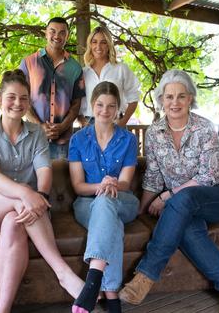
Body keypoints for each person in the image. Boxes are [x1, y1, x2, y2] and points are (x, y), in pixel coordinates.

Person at [118, 70, 219, 313]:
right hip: (181, 206)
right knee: (189, 230)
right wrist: (141, 209)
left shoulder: (205, 128)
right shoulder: (154, 133)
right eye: (169, 97)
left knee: (183, 197)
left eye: (181, 96)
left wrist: (168, 195)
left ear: (190, 98)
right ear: (161, 100)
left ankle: (146, 275)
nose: (175, 102)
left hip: (214, 197)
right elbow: (153, 176)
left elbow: (208, 174)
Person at [0, 70, 84, 313]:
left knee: (14, 222)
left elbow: (44, 171)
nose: (18, 103)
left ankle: (2, 310)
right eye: (11, 97)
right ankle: (63, 272)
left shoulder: (36, 134)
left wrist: (41, 196)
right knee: (22, 197)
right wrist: (27, 194)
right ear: (0, 99)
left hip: (27, 207)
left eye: (24, 98)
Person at [68, 82, 140, 313]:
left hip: (123, 200)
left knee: (107, 202)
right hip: (87, 204)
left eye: (111, 106)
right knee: (111, 221)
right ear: (92, 105)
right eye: (100, 105)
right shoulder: (78, 140)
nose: (105, 111)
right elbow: (79, 186)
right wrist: (101, 185)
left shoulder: (128, 140)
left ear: (118, 108)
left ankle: (92, 283)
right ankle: (111, 295)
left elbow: (126, 183)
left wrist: (113, 184)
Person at [20, 17, 85, 159]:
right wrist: (40, 126)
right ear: (45, 33)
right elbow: (22, 99)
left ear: (67, 36)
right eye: (53, 31)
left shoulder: (75, 67)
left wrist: (62, 127)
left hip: (62, 141)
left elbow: (76, 104)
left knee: (60, 180)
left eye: (62, 33)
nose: (57, 36)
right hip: (32, 138)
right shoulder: (28, 63)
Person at [77, 26, 140, 128]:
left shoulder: (121, 69)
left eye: (103, 42)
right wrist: (82, 122)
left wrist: (122, 122)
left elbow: (133, 97)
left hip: (115, 122)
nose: (98, 46)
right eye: (94, 42)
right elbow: (77, 101)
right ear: (90, 44)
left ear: (109, 45)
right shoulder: (83, 72)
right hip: (89, 123)